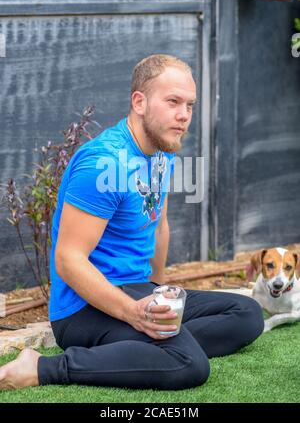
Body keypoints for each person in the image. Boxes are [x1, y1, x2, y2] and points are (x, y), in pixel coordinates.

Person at [0, 54, 264, 391]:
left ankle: (142, 351)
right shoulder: (103, 163)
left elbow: (159, 223)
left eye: (190, 105)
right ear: (139, 102)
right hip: (84, 309)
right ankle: (43, 367)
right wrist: (133, 313)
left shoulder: (161, 151)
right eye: (173, 102)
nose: (184, 115)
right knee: (190, 365)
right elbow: (68, 261)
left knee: (246, 314)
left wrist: (161, 292)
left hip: (138, 288)